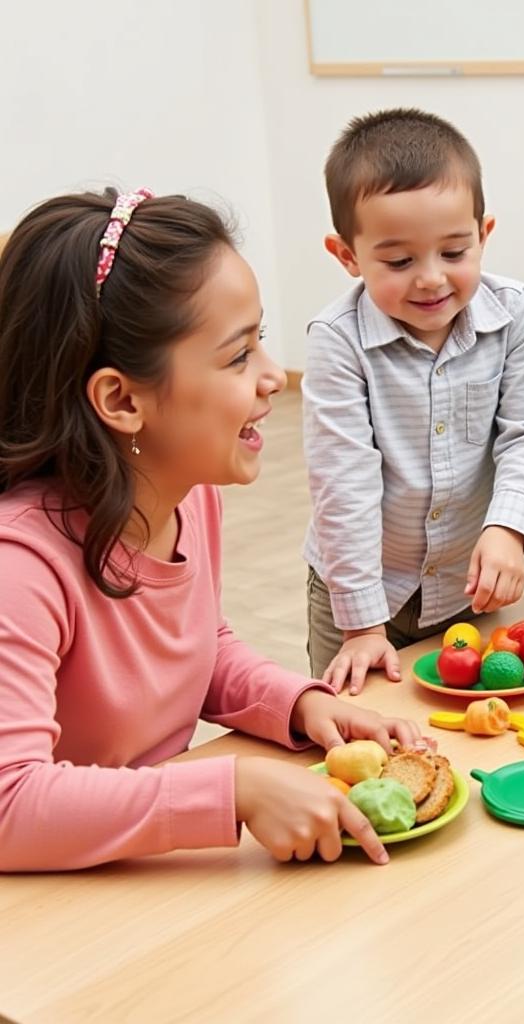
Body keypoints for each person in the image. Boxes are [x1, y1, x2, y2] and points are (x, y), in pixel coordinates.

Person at [0, 188, 420, 872]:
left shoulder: (189, 500)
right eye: (236, 357)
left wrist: (297, 704)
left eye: (260, 340)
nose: (271, 377)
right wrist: (231, 790)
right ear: (122, 400)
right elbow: (9, 806)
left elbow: (197, 649)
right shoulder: (19, 568)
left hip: (140, 879)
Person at [303, 108, 524, 694]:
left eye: (453, 252)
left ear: (483, 234)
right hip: (358, 591)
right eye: (398, 261)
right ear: (347, 255)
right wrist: (362, 625)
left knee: (473, 715)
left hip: (469, 579)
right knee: (359, 730)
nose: (430, 279)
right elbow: (342, 483)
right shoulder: (337, 341)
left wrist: (508, 529)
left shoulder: (514, 312)